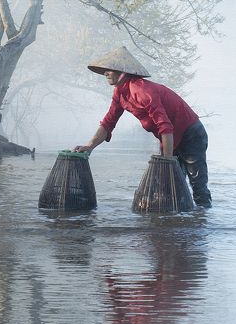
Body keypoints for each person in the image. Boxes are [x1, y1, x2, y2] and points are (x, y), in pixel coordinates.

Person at [74, 46, 212, 207]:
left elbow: (165, 126)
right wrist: (89, 146)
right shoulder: (119, 93)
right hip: (169, 139)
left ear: (122, 72)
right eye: (104, 70)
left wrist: (167, 161)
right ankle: (179, 224)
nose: (105, 73)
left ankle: (203, 219)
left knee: (197, 184)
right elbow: (108, 122)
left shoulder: (141, 90)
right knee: (172, 185)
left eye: (109, 70)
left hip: (190, 133)